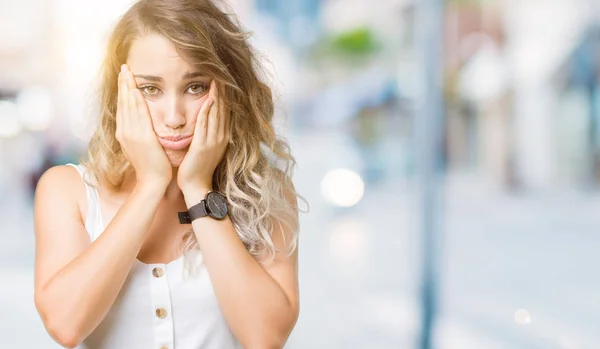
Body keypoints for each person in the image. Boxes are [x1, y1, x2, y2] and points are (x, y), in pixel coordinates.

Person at [33, 1, 302, 348]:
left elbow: (265, 337)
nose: (174, 117)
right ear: (120, 94)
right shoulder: (67, 191)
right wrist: (150, 185)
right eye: (150, 89)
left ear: (230, 89)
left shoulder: (266, 192)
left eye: (196, 87)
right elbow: (66, 326)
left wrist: (198, 190)